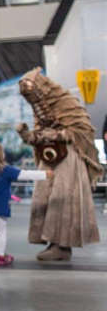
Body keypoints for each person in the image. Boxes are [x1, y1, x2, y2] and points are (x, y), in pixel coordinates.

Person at [17, 68, 102, 261]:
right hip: (50, 157)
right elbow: (39, 133)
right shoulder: (40, 108)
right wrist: (28, 135)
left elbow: (81, 131)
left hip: (69, 156)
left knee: (62, 197)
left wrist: (57, 135)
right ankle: (50, 241)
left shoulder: (66, 102)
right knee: (43, 195)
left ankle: (61, 245)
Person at [0, 141, 49, 266]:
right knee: (2, 231)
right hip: (0, 208)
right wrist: (45, 174)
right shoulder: (6, 170)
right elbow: (25, 174)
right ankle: (0, 256)